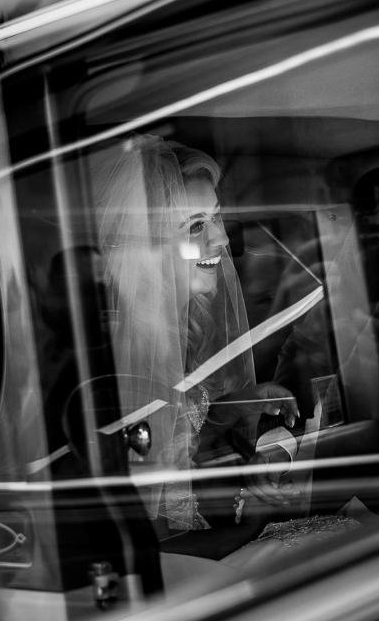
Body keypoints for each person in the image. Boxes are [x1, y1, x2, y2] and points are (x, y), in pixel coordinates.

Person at [92, 134, 298, 533]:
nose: (221, 238)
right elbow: (149, 521)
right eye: (195, 226)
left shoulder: (181, 330)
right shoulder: (120, 352)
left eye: (216, 217)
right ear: (143, 247)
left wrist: (235, 406)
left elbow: (178, 449)